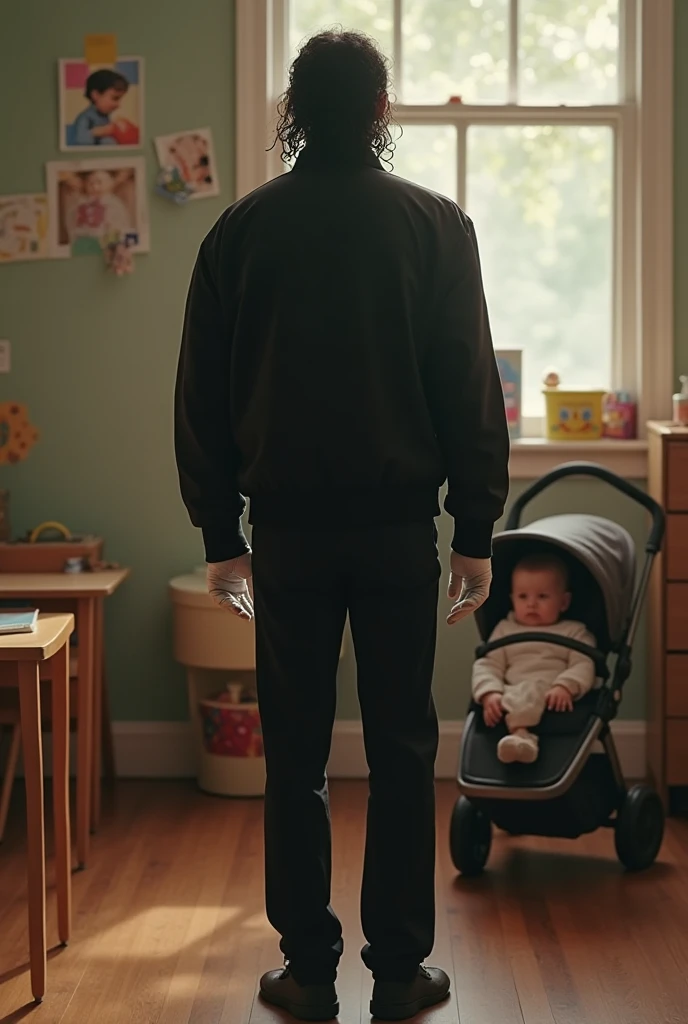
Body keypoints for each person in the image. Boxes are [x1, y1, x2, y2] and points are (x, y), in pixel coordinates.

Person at [175, 29, 509, 1023]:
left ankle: (307, 969)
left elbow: (201, 398)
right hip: (402, 532)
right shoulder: (435, 226)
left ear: (293, 109)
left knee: (295, 753)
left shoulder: (239, 232)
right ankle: (401, 969)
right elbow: (468, 390)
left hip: (282, 536)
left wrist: (216, 532)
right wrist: (479, 532)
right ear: (378, 112)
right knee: (405, 746)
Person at [472, 553, 596, 764]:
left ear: (564, 602)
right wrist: (489, 692)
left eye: (542, 597)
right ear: (512, 599)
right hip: (510, 690)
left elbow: (584, 663)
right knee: (515, 689)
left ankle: (520, 734)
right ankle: (521, 737)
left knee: (533, 688)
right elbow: (488, 664)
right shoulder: (505, 630)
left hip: (551, 692)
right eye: (523, 597)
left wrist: (565, 686)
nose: (531, 604)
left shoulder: (574, 632)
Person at [71, 68, 131, 147]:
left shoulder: (105, 116)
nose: (118, 105)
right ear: (96, 95)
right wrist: (96, 132)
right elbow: (79, 141)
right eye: (115, 98)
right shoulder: (85, 118)